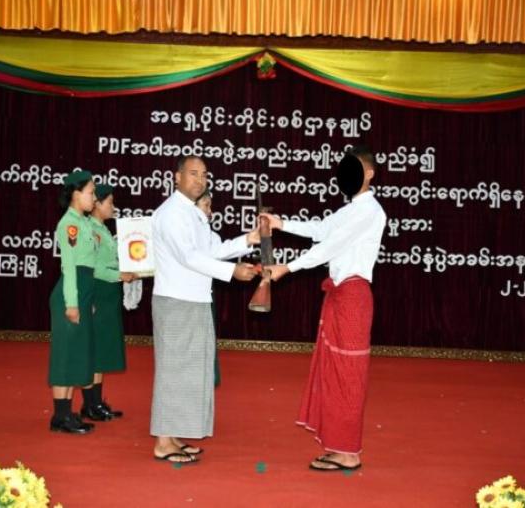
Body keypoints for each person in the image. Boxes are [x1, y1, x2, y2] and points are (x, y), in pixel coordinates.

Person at [263, 145, 387, 472]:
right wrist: (281, 223)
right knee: (333, 372)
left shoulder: (370, 211)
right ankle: (337, 446)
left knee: (348, 375)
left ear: (369, 174)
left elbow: (330, 246)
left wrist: (287, 267)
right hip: (339, 296)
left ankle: (349, 452)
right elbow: (320, 230)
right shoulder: (350, 210)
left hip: (353, 297)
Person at [150, 156, 259, 464]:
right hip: (176, 301)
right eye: (193, 174)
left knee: (187, 371)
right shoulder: (171, 213)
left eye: (204, 175)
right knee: (173, 371)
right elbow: (188, 257)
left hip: (194, 299)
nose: (200, 180)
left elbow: (212, 250)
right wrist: (232, 272)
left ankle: (172, 435)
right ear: (177, 177)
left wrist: (248, 240)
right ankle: (162, 442)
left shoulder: (193, 213)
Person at [80, 183, 138, 422]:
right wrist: (120, 275)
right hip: (98, 291)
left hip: (108, 293)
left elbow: (110, 261)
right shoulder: (89, 230)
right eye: (110, 202)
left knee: (102, 351)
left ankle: (96, 403)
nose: (113, 207)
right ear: (97, 204)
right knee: (94, 351)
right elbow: (93, 267)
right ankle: (89, 405)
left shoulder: (103, 229)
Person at [48, 170, 98, 434]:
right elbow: (69, 267)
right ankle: (60, 417)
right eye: (91, 192)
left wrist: (87, 301)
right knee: (65, 356)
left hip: (82, 294)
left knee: (74, 354)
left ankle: (66, 413)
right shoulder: (69, 224)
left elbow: (89, 267)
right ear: (76, 194)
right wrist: (72, 303)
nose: (94, 198)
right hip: (70, 295)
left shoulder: (85, 223)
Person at [194, 189, 222, 387]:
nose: (210, 212)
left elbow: (219, 255)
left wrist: (249, 240)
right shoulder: (181, 233)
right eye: (206, 205)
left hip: (205, 298)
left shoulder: (213, 236)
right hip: (183, 301)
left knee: (206, 346)